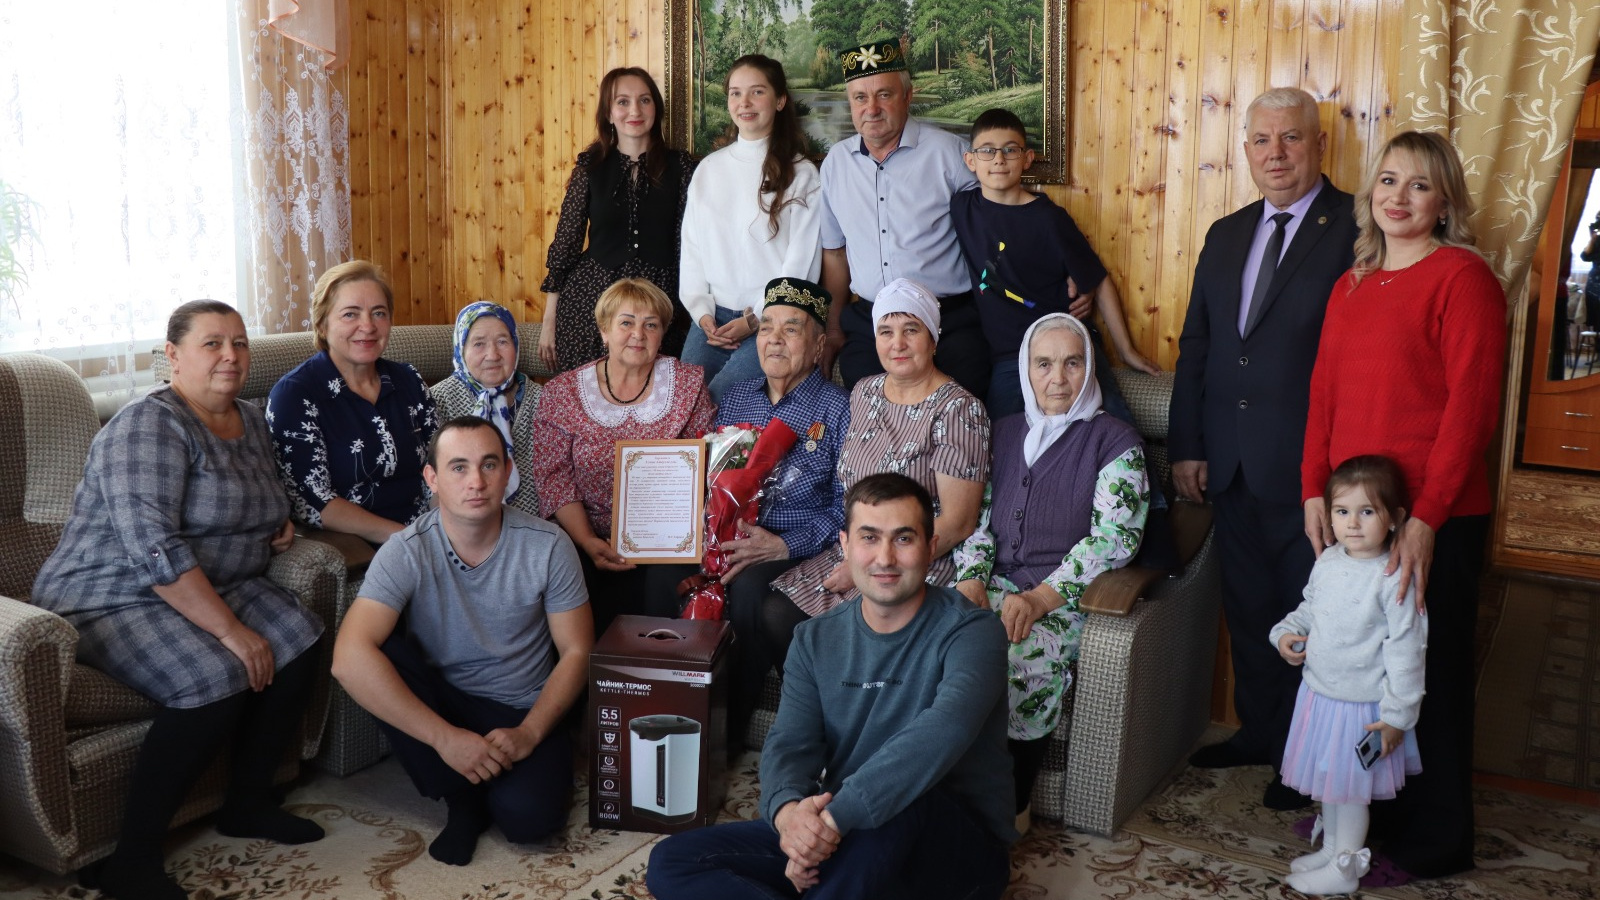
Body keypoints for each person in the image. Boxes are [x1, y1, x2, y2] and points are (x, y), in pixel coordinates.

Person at [33, 301, 326, 900]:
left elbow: (263, 497)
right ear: (172, 355)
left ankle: (247, 802)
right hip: (115, 590)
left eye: (239, 343)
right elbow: (153, 549)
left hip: (216, 580)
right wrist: (231, 632)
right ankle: (132, 859)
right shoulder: (149, 426)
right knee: (214, 675)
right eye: (212, 343)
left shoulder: (251, 419)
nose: (230, 356)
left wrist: (278, 524)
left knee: (302, 638)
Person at [646, 474, 1016, 900]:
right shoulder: (814, 638)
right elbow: (790, 744)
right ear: (845, 546)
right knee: (674, 861)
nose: (885, 558)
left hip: (952, 848)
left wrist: (831, 822)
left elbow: (939, 734)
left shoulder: (973, 632)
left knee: (899, 803)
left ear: (931, 548)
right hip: (848, 831)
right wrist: (791, 820)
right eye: (869, 538)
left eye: (903, 539)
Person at [1301, 129, 1505, 880]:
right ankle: (1372, 815)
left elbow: (1470, 411)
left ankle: (1437, 841)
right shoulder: (1351, 284)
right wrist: (1312, 488)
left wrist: (1427, 519)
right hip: (1356, 518)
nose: (1399, 197)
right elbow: (1323, 394)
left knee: (1427, 676)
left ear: (1444, 202)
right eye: (1388, 181)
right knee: (1363, 675)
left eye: (1419, 185)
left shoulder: (1464, 278)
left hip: (1431, 518)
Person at [1169, 87, 1358, 810]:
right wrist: (1187, 444)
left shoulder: (1356, 228)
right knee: (1249, 611)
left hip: (1313, 472)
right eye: (1261, 140)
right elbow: (1197, 345)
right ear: (1245, 149)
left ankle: (1305, 761)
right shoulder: (1227, 234)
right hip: (1229, 464)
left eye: (1291, 138)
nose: (1275, 154)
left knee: (1312, 619)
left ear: (1319, 145)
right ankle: (1260, 733)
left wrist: (1340, 473)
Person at [331, 416, 593, 867]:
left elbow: (577, 650)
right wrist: (445, 739)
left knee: (530, 822)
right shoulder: (406, 549)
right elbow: (346, 660)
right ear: (432, 478)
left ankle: (497, 776)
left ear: (508, 472)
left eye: (489, 465)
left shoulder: (549, 544)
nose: (476, 482)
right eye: (458, 467)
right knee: (377, 651)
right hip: (443, 701)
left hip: (521, 705)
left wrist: (530, 732)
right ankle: (462, 799)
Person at [953, 313, 1149, 823]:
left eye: (1072, 363)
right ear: (1025, 369)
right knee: (931, 643)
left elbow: (1114, 538)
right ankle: (938, 795)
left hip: (1063, 597)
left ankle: (1010, 808)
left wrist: (1041, 597)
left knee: (1021, 657)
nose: (1057, 378)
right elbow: (973, 519)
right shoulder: (1000, 432)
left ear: (1090, 368)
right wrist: (971, 577)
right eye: (1043, 364)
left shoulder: (1115, 441)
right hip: (991, 584)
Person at [648, 277, 851, 748]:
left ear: (819, 345)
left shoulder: (839, 408)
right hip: (722, 536)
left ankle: (719, 737)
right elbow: (707, 474)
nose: (774, 339)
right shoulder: (737, 397)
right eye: (767, 328)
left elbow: (846, 505)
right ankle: (657, 708)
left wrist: (783, 545)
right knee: (660, 573)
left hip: (792, 546)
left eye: (791, 329)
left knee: (750, 591)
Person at [763, 278, 989, 682]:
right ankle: (829, 715)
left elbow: (958, 523)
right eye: (886, 331)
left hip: (914, 556)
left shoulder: (960, 410)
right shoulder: (864, 392)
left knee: (853, 636)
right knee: (779, 614)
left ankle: (860, 715)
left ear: (933, 338)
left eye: (911, 329)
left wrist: (865, 565)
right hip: (857, 547)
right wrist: (854, 554)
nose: (897, 343)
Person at [1275, 455, 1425, 896]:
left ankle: (1345, 867)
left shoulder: (1393, 577)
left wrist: (1397, 715)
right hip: (1321, 696)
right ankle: (1331, 849)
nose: (1353, 523)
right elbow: (1310, 606)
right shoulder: (1328, 560)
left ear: (1395, 518)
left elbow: (1407, 650)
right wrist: (1285, 633)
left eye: (1367, 511)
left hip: (1363, 709)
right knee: (1330, 784)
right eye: (1342, 511)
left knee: (1351, 791)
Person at [531, 277, 717, 633]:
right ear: (604, 331)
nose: (638, 334)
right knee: (572, 576)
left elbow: (705, 467)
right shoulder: (562, 392)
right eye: (626, 323)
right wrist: (588, 541)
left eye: (651, 325)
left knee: (667, 585)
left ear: (662, 334)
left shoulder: (689, 384)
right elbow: (554, 478)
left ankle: (660, 666)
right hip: (586, 534)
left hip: (668, 540)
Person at [949, 107, 1159, 420]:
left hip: (1066, 345)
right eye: (987, 151)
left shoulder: (1048, 219)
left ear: (1027, 158)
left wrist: (1126, 350)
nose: (999, 159)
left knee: (1111, 428)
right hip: (1010, 357)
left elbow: (1097, 279)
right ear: (970, 161)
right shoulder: (962, 208)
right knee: (1003, 438)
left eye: (1010, 150)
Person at [816, 36, 991, 399]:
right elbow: (834, 253)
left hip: (949, 322)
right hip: (871, 324)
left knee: (957, 409)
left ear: (908, 96)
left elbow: (998, 226)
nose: (872, 108)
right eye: (860, 98)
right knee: (868, 411)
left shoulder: (949, 154)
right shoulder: (836, 163)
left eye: (884, 94)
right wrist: (833, 330)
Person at [679, 54, 823, 402]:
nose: (744, 103)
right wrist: (701, 313)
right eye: (735, 93)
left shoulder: (802, 174)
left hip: (773, 320)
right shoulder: (709, 169)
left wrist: (756, 318)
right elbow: (692, 249)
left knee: (719, 401)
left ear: (780, 100)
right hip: (712, 320)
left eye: (757, 92)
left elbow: (801, 263)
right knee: (685, 403)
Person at [268, 260, 439, 545]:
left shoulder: (409, 380)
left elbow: (442, 467)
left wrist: (445, 529)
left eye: (379, 313)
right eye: (350, 314)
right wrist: (408, 540)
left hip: (431, 529)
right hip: (362, 543)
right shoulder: (294, 396)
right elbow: (314, 502)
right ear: (322, 324)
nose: (368, 326)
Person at [540, 67, 696, 373]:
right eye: (623, 102)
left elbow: (689, 245)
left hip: (661, 305)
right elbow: (566, 245)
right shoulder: (590, 168)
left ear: (656, 109)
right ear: (608, 113)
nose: (634, 111)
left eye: (644, 100)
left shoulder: (682, 168)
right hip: (591, 304)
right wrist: (549, 320)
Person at [430, 300, 542, 517]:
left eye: (502, 341)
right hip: (462, 523)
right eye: (479, 344)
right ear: (461, 349)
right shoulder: (437, 400)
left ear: (515, 344)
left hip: (535, 524)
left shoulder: (542, 399)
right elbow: (431, 485)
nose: (492, 355)